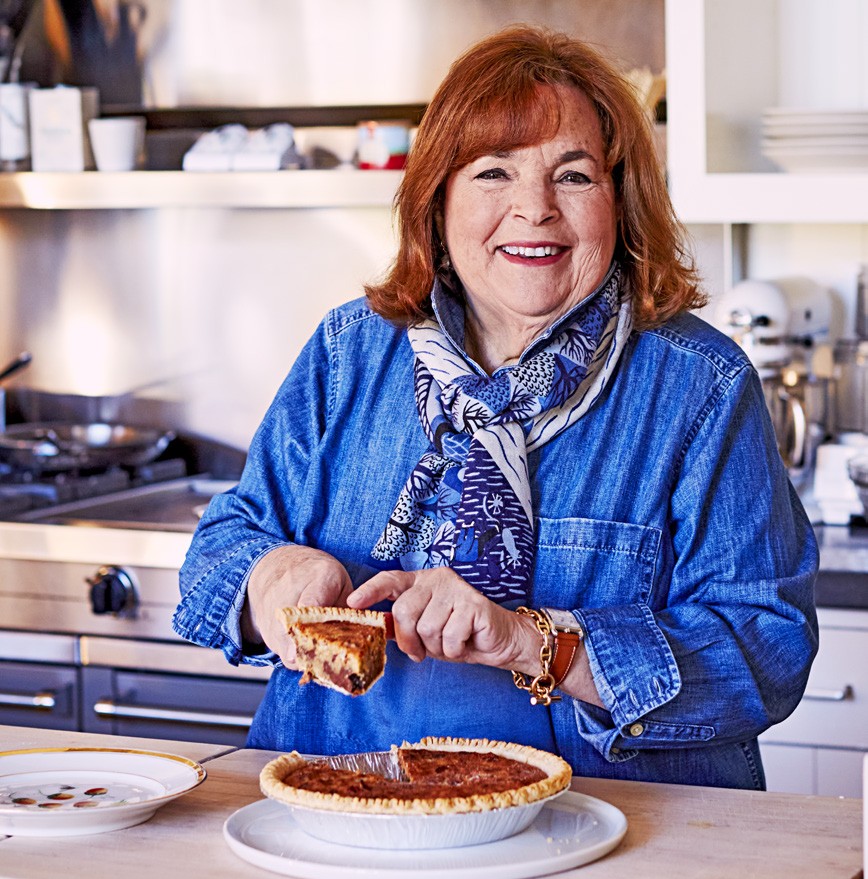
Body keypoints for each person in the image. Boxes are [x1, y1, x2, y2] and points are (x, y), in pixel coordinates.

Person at [173, 25, 818, 789]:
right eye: (492, 173)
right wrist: (271, 577)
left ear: (621, 201)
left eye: (574, 176)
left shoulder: (700, 386)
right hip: (340, 812)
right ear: (437, 200)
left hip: (614, 836)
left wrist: (534, 642)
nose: (534, 209)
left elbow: (763, 648)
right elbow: (219, 549)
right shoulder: (350, 352)